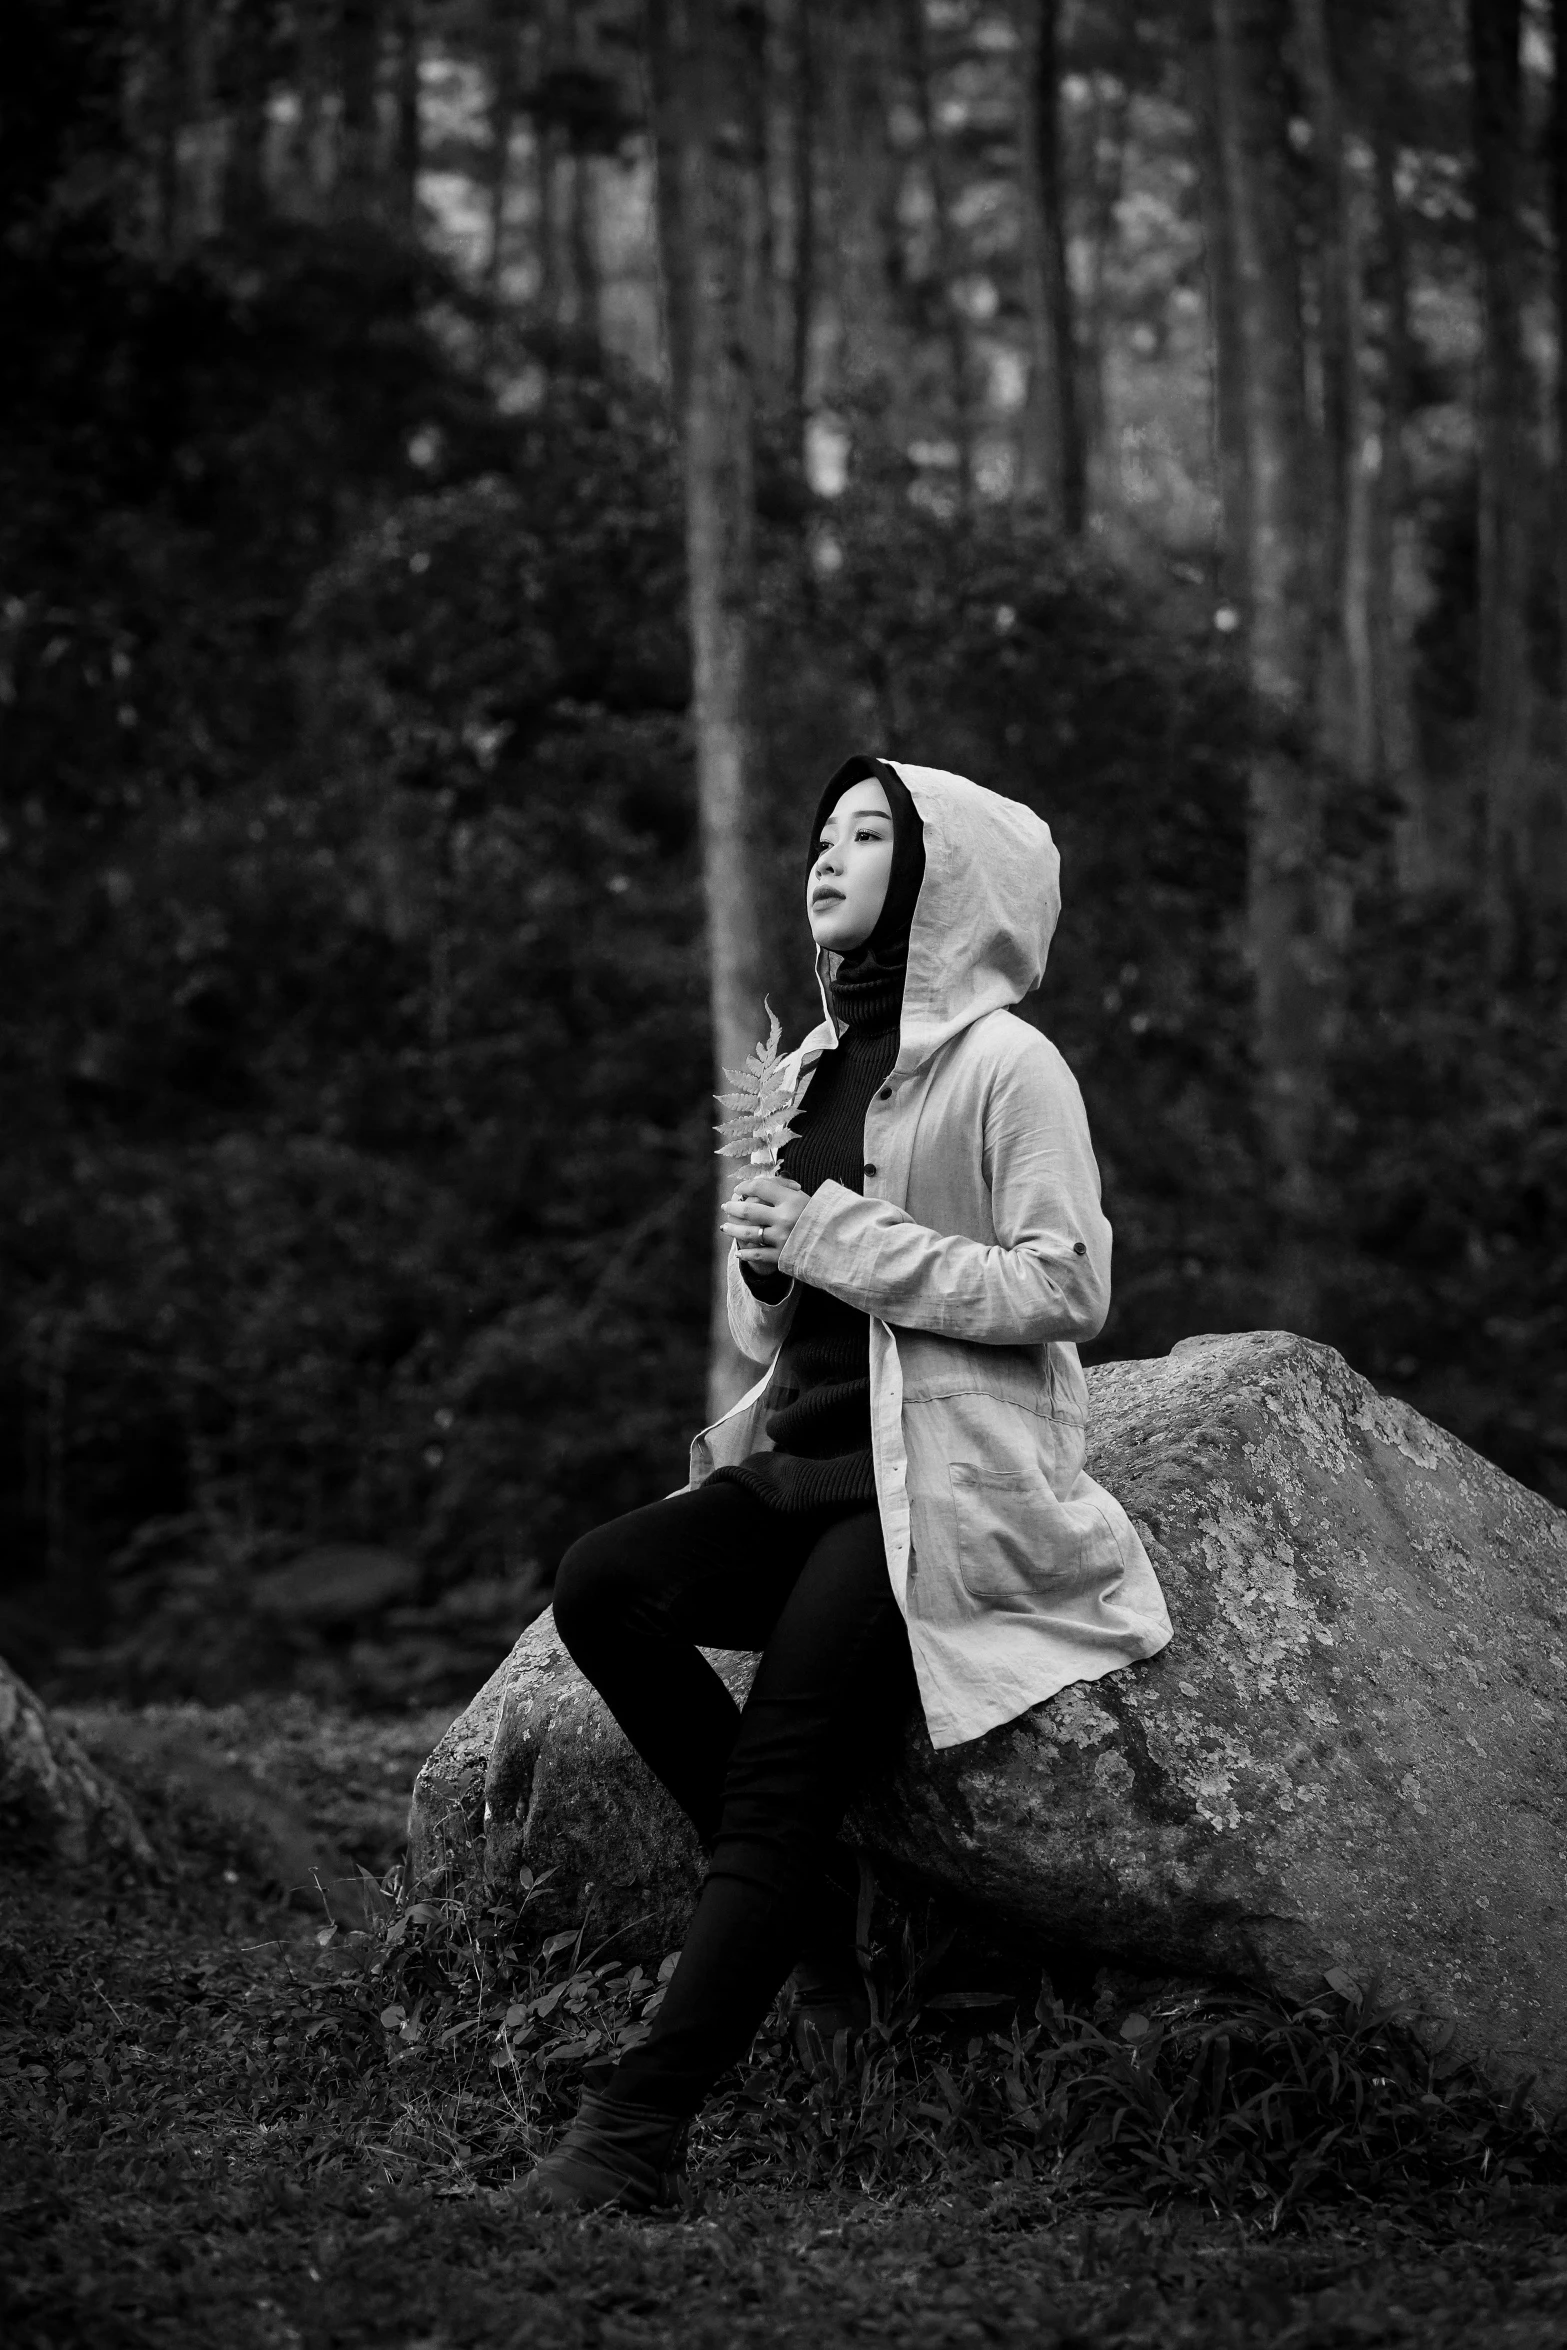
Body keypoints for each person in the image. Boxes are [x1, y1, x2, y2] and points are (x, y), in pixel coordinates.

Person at [520, 757, 1172, 2213]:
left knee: (775, 1780)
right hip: (801, 1460)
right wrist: (769, 1267)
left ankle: (635, 2132)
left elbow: (1067, 1283)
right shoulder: (810, 1065)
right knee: (601, 1583)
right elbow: (784, 1321)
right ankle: (804, 1896)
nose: (825, 856)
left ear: (944, 873)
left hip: (919, 1485)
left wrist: (843, 1239)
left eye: (867, 834)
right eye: (819, 835)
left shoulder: (1012, 1064)